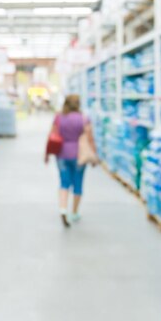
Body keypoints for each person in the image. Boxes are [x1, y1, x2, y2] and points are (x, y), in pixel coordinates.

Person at [46, 94, 96, 227]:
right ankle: (74, 212)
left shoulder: (58, 117)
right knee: (78, 183)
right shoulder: (84, 119)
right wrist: (94, 155)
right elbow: (90, 138)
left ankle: (63, 209)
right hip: (79, 155)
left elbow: (51, 135)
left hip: (61, 154)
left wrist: (46, 154)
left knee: (64, 183)